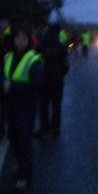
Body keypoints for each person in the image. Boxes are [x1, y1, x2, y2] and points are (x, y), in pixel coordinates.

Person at [1, 25, 43, 191]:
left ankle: (25, 176)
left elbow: (36, 83)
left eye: (24, 38)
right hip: (11, 105)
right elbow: (3, 77)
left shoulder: (34, 58)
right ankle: (19, 164)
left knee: (24, 141)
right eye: (18, 38)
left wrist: (12, 86)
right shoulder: (8, 56)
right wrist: (4, 85)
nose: (20, 41)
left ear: (28, 41)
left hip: (26, 106)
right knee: (13, 137)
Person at [35, 23, 69, 137]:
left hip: (43, 78)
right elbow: (66, 64)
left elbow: (36, 61)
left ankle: (44, 128)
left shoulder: (41, 44)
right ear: (58, 32)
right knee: (56, 104)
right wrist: (61, 74)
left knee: (43, 105)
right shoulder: (61, 45)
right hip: (57, 79)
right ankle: (56, 129)